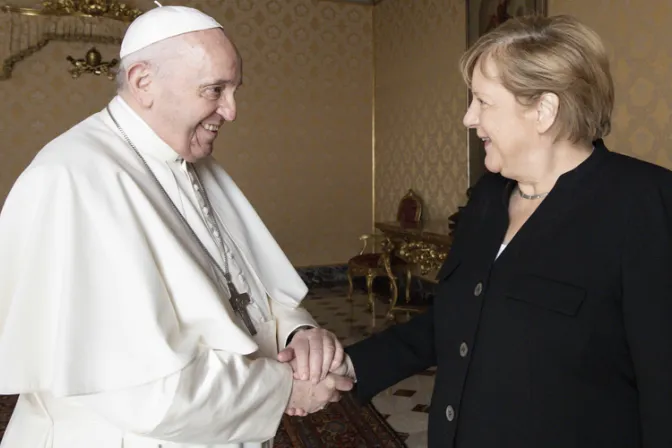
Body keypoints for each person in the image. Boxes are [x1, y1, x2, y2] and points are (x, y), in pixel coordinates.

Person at [0, 6, 351, 448]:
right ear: (143, 81)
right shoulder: (71, 179)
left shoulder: (191, 162)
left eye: (234, 89)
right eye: (214, 90)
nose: (231, 110)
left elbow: (247, 290)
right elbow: (139, 391)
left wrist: (301, 335)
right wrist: (286, 387)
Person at [328, 14, 672, 448]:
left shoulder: (646, 203)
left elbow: (663, 386)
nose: (468, 118)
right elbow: (453, 321)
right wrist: (350, 366)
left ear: (544, 111)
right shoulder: (489, 197)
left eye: (483, 101)